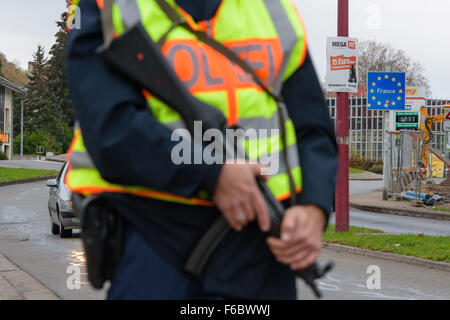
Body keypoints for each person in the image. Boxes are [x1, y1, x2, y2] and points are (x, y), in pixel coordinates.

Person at [66, 0, 337, 300]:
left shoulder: (273, 10)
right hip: (155, 241)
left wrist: (314, 207)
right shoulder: (105, 6)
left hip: (260, 250)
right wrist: (211, 173)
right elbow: (109, 127)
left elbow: (314, 129)